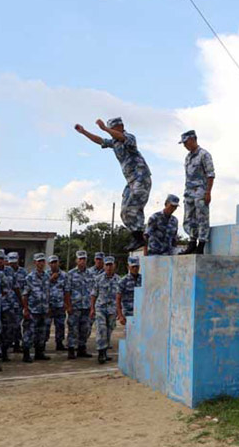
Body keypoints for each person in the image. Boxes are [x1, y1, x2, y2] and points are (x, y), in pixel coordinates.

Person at [74, 117, 152, 252]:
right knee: (124, 212)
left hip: (141, 178)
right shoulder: (115, 143)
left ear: (120, 126)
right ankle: (138, 236)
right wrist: (84, 132)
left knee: (133, 207)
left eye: (112, 129)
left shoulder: (129, 137)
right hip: (130, 182)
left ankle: (140, 236)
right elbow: (100, 141)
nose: (109, 133)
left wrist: (105, 128)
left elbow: (121, 137)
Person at [180, 131, 214, 254]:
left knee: (202, 218)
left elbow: (210, 174)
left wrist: (208, 192)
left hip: (201, 191)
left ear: (193, 139)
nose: (185, 145)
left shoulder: (204, 155)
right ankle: (192, 242)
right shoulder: (188, 157)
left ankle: (201, 245)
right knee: (189, 218)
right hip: (189, 192)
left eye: (186, 142)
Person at [90, 255, 120, 365]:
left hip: (112, 309)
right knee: (101, 330)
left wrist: (119, 311)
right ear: (104, 266)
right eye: (107, 265)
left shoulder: (118, 280)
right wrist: (92, 308)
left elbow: (119, 296)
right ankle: (101, 353)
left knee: (108, 331)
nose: (109, 267)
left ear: (114, 266)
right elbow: (93, 294)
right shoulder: (98, 279)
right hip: (100, 308)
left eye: (110, 265)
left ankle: (105, 352)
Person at [22, 252, 51, 362]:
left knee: (42, 333)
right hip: (33, 310)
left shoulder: (47, 276)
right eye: (39, 261)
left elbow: (48, 293)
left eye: (43, 261)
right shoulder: (29, 277)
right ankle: (26, 354)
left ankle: (39, 353)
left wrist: (48, 307)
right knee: (29, 332)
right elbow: (25, 295)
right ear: (35, 263)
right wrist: (25, 309)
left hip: (43, 310)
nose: (41, 263)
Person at [65, 250, 94, 359]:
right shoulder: (71, 274)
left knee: (84, 329)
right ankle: (71, 349)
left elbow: (93, 291)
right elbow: (67, 291)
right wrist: (68, 306)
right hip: (75, 306)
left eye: (84, 259)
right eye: (80, 259)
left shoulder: (90, 274)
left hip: (86, 306)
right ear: (76, 260)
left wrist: (92, 306)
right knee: (73, 328)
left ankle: (82, 348)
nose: (82, 261)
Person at [45, 255, 68, 352]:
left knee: (60, 325)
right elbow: (41, 288)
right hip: (48, 305)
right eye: (52, 263)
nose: (54, 264)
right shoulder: (45, 274)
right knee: (46, 325)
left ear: (58, 263)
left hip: (60, 305)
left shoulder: (64, 275)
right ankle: (42, 344)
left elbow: (66, 290)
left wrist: (66, 303)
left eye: (55, 262)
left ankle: (59, 343)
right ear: (49, 264)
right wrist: (50, 279)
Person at [7, 252, 26, 353]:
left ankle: (17, 344)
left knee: (17, 324)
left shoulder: (23, 272)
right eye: (11, 263)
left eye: (14, 262)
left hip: (18, 303)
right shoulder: (5, 272)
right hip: (7, 304)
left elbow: (26, 288)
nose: (12, 265)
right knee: (6, 325)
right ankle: (7, 343)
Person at [117, 256, 142, 326]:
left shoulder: (143, 279)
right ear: (128, 267)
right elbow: (118, 298)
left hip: (141, 313)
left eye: (137, 266)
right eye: (133, 267)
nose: (135, 269)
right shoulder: (123, 281)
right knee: (129, 335)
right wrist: (120, 315)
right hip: (128, 315)